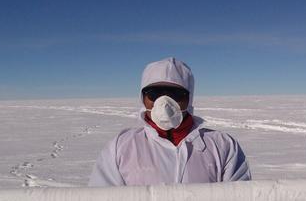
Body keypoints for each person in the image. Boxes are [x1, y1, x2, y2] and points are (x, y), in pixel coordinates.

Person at [89, 57, 251, 186]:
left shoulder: (223, 146)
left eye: (175, 93)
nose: (164, 102)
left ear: (189, 98)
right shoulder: (121, 148)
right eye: (154, 93)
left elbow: (239, 195)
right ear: (143, 98)